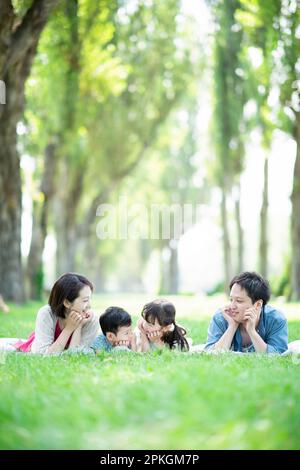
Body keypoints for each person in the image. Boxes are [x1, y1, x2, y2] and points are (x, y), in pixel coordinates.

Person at [0, 273, 99, 354]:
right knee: (9, 348)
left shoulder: (91, 319)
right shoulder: (46, 313)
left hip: (50, 346)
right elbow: (40, 354)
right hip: (38, 344)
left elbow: (77, 354)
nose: (89, 306)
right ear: (67, 303)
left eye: (90, 299)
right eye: (85, 300)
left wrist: (79, 326)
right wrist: (69, 329)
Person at [205, 271, 288, 354]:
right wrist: (232, 326)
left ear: (258, 304)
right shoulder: (221, 317)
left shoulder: (276, 319)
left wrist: (251, 331)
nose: (232, 306)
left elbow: (278, 355)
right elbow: (211, 354)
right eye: (231, 299)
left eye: (239, 301)